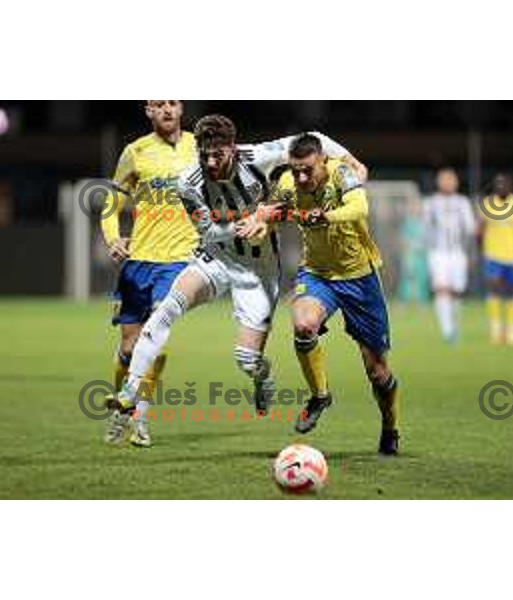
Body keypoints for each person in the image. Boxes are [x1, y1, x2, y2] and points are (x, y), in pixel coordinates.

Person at [111, 115, 366, 447]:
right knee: (166, 309)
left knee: (247, 360)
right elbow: (209, 232)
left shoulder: (257, 157)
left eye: (219, 154)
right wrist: (252, 219)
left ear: (232, 148)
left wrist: (351, 161)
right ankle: (129, 392)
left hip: (259, 269)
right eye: (205, 154)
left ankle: (264, 378)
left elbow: (312, 136)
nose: (211, 162)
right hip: (216, 258)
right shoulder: (187, 182)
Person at [246, 133, 400, 455]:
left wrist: (325, 215)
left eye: (308, 170)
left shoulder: (341, 173)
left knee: (378, 372)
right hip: (317, 275)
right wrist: (263, 225)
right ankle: (320, 395)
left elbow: (359, 207)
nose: (301, 177)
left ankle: (390, 427)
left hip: (360, 278)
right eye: (296, 169)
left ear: (323, 162)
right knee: (303, 325)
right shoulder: (288, 183)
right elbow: (274, 213)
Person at [100, 101, 197, 444]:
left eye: (172, 102)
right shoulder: (135, 151)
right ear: (148, 111)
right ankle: (119, 411)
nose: (167, 109)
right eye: (159, 104)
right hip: (139, 260)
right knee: (129, 347)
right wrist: (113, 238)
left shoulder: (199, 147)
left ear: (181, 107)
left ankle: (140, 419)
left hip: (180, 259)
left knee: (158, 333)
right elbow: (112, 203)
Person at [478, 173, 513, 345]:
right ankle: (495, 329)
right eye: (498, 184)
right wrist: (479, 248)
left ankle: (511, 330)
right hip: (493, 255)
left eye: (505, 184)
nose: (501, 187)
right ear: (494, 187)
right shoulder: (488, 204)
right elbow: (480, 230)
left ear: (511, 187)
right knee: (494, 289)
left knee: (512, 292)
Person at [423, 168, 475, 343]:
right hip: (438, 253)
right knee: (441, 288)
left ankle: (454, 325)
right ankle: (447, 330)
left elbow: (470, 229)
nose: (447, 183)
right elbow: (425, 227)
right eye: (444, 180)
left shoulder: (462, 202)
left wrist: (470, 253)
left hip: (457, 252)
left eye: (450, 180)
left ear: (456, 182)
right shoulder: (431, 202)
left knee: (457, 291)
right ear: (439, 182)